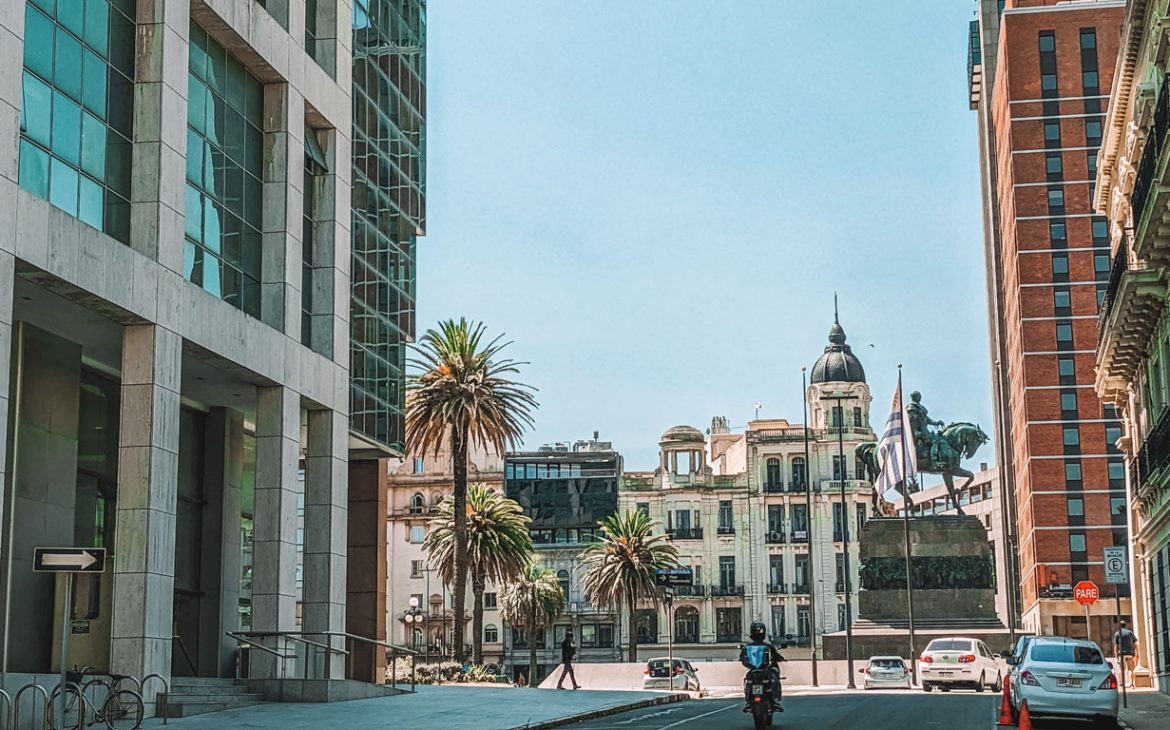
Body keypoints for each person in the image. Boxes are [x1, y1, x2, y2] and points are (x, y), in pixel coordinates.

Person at [739, 622, 784, 711]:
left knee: (748, 680)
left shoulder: (747, 647)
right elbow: (776, 656)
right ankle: (774, 700)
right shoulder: (768, 646)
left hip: (753, 670)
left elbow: (742, 658)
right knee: (774, 679)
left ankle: (748, 700)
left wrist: (748, 664)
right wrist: (781, 658)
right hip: (764, 670)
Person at [1113, 620, 1138, 688]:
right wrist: (1136, 652)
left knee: (1122, 670)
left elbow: (1116, 646)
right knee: (1130, 669)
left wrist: (1116, 656)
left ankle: (1122, 684)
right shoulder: (1130, 633)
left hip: (1121, 654)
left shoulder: (1117, 633)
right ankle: (1132, 684)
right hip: (1130, 654)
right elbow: (1135, 643)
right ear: (1125, 625)